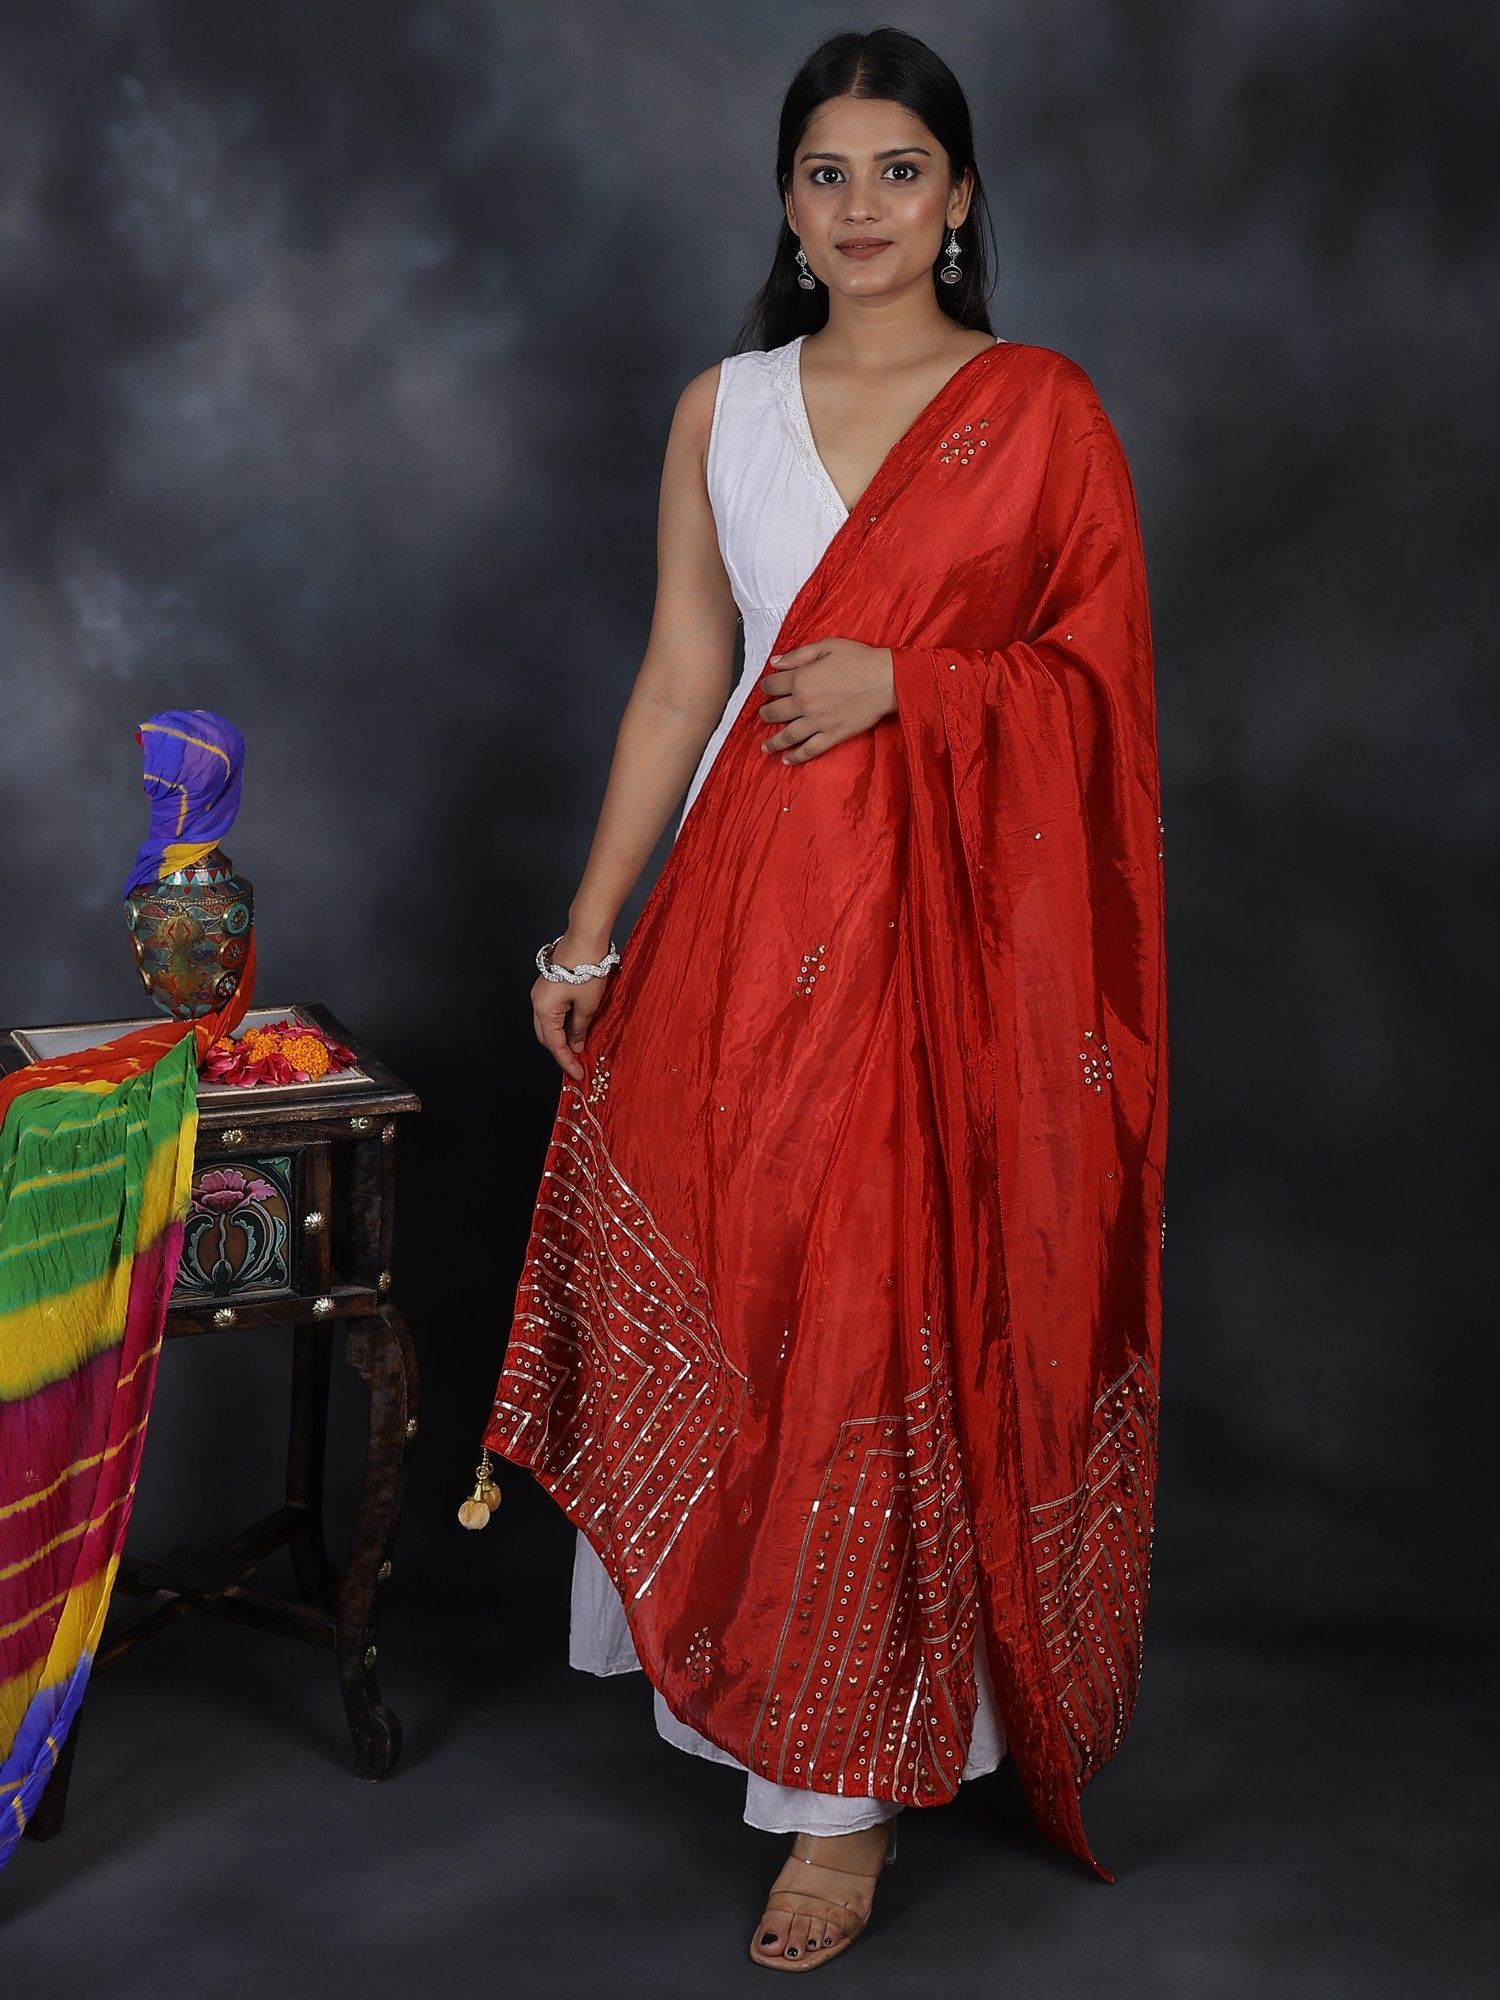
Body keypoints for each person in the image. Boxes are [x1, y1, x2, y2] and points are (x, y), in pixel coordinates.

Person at [471, 25, 1169, 1973]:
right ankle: (763, 1695)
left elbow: (1099, 693)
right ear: (785, 205)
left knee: (884, 1324)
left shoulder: (1039, 411)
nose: (858, 207)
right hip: (744, 940)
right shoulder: (726, 407)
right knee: (764, 1311)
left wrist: (919, 689)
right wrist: (588, 931)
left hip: (950, 962)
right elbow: (682, 680)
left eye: (896, 170)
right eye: (822, 173)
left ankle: (841, 1810)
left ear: (960, 198)